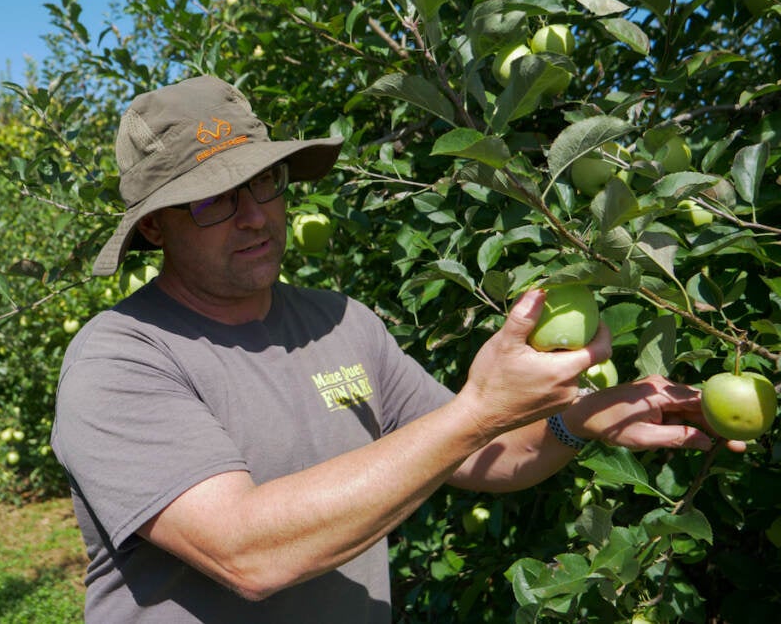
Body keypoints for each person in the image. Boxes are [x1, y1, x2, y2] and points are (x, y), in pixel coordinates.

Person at [51, 75, 740, 623]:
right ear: (155, 230)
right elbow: (246, 553)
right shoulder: (122, 359)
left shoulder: (339, 321)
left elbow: (468, 453)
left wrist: (581, 419)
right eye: (214, 200)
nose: (256, 214)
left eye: (264, 180)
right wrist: (475, 411)